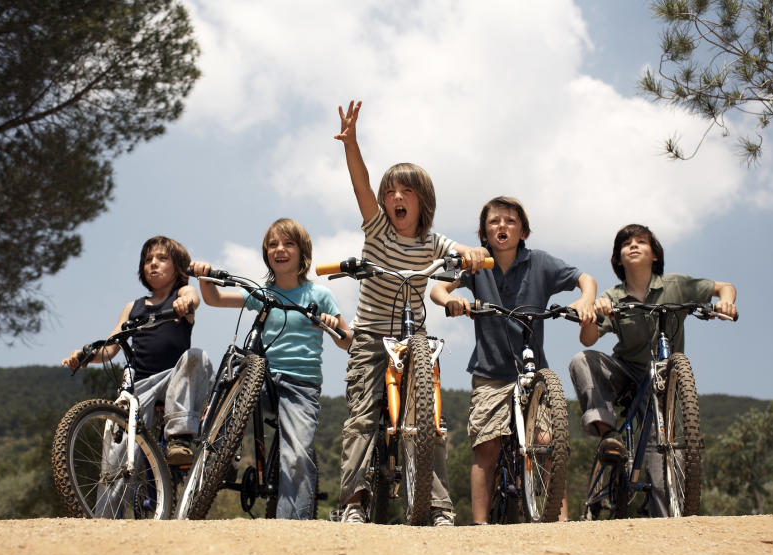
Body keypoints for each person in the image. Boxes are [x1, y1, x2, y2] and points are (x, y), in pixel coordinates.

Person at [333, 99, 489, 526]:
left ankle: (436, 506)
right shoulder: (378, 228)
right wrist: (351, 144)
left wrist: (471, 253)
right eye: (391, 192)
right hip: (368, 336)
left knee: (428, 421)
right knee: (362, 416)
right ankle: (354, 502)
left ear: (424, 201)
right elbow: (360, 184)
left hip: (412, 339)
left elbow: (456, 251)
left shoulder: (432, 243)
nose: (396, 197)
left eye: (406, 191)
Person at [430, 196, 597, 524]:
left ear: (523, 231)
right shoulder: (477, 262)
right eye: (494, 221)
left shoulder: (540, 263)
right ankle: (479, 525)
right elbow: (437, 288)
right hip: (491, 371)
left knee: (548, 442)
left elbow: (585, 279)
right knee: (487, 448)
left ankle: (559, 520)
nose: (501, 226)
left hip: (535, 371)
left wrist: (585, 301)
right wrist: (452, 300)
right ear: (483, 232)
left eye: (510, 221)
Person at [568, 223, 737, 516]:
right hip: (625, 371)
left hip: (662, 383)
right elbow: (588, 339)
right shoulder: (614, 295)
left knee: (664, 469)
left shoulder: (676, 285)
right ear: (618, 259)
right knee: (582, 360)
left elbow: (723, 287)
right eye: (626, 244)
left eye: (642, 242)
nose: (634, 246)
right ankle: (609, 433)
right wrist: (593, 315)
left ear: (655, 254)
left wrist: (726, 302)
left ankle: (668, 525)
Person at [190, 218, 352, 520]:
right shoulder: (263, 292)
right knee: (231, 384)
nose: (280, 249)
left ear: (302, 253)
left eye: (288, 243)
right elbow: (214, 299)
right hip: (260, 379)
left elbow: (348, 341)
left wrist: (331, 326)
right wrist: (204, 277)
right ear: (266, 253)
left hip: (300, 385)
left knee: (296, 457)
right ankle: (221, 455)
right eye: (273, 244)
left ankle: (291, 525)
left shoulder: (319, 296)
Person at [62, 236, 214, 516]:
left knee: (196, 358)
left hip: (174, 380)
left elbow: (193, 299)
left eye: (162, 259)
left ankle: (179, 438)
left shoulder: (182, 294)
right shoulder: (133, 307)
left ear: (178, 267)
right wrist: (84, 356)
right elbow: (110, 347)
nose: (153, 264)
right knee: (116, 453)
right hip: (138, 385)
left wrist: (186, 304)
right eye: (148, 260)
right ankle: (105, 518)